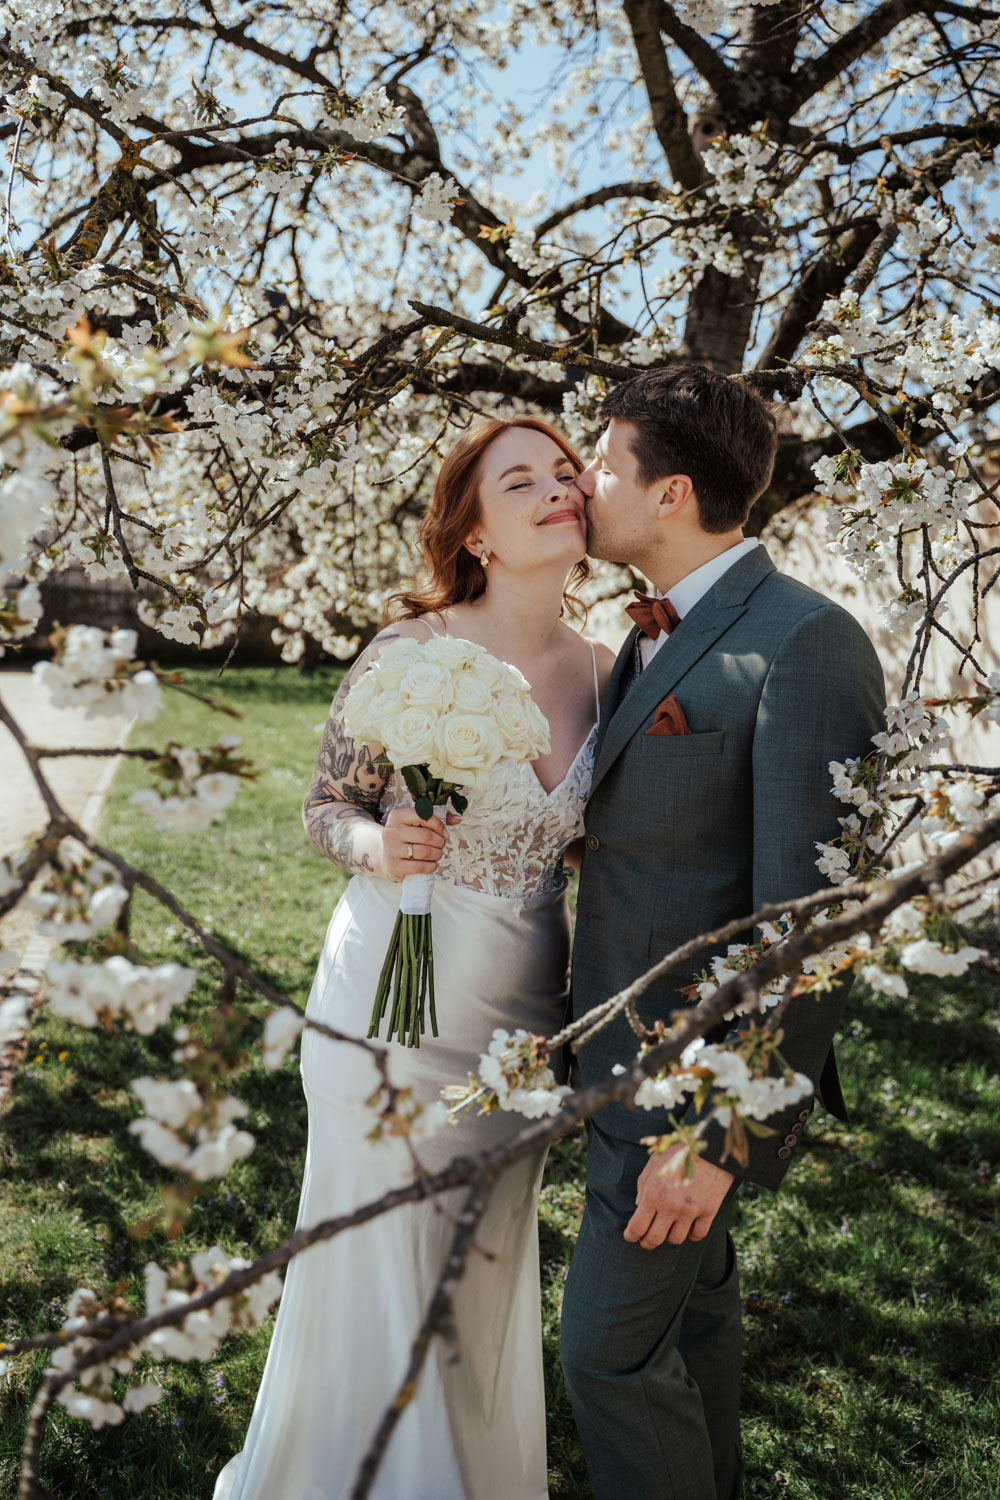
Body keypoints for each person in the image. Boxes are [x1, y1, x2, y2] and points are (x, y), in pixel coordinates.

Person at [212, 415, 615, 1500]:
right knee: (377, 1267)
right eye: (518, 481)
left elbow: (592, 844)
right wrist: (380, 846)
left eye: (565, 474)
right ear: (475, 533)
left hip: (518, 1025)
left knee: (471, 1275)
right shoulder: (408, 650)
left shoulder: (609, 671)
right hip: (385, 1005)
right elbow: (321, 810)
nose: (555, 491)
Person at [559, 365, 886, 1500]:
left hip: (683, 1099)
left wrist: (713, 1138)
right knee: (688, 1336)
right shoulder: (647, 633)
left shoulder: (805, 643)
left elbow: (819, 923)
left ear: (670, 493)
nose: (581, 479)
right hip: (611, 1063)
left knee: (604, 1356)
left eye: (602, 463)